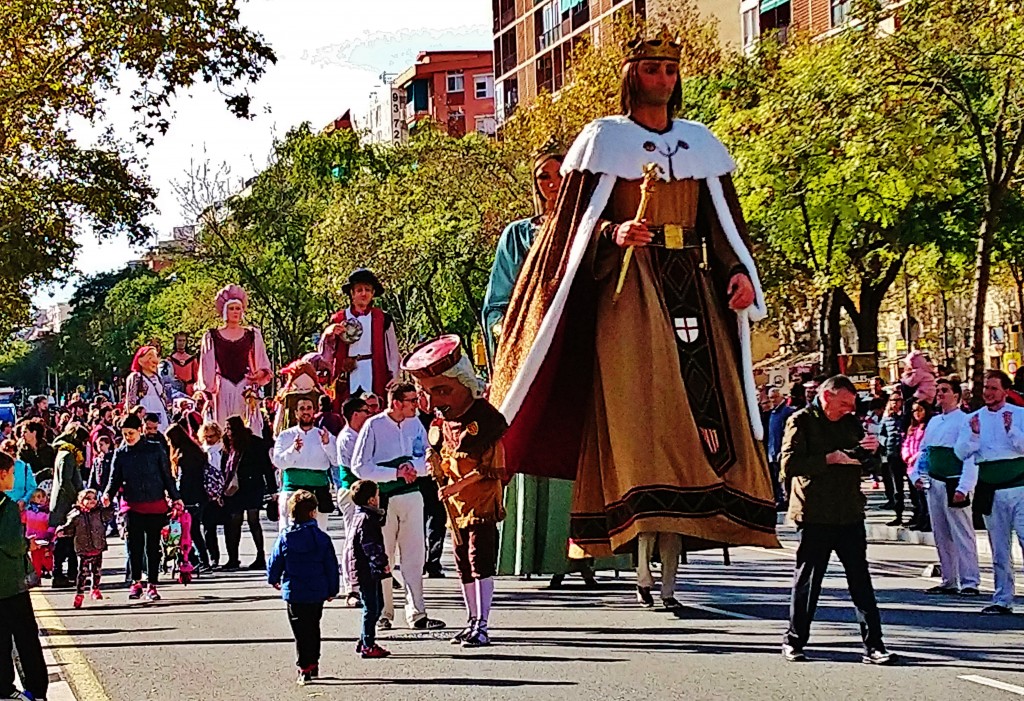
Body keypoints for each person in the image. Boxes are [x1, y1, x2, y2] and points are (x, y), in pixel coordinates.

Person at [489, 27, 778, 575]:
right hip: (630, 290)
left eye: (670, 70)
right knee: (640, 404)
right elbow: (569, 232)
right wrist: (612, 235)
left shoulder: (700, 145)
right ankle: (636, 518)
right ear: (632, 76)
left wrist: (739, 273)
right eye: (652, 69)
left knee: (704, 402)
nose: (663, 80)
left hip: (693, 284)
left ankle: (695, 515)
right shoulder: (603, 141)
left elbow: (724, 227)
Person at [780, 375, 894, 665]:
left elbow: (872, 464)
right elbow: (789, 464)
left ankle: (874, 646)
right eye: (844, 403)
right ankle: (794, 640)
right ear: (827, 396)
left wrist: (872, 452)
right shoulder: (801, 421)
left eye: (852, 404)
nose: (849, 409)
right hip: (815, 512)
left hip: (849, 512)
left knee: (861, 581)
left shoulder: (850, 422)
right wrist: (829, 459)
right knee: (808, 580)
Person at [406, 335, 509, 647]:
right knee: (462, 562)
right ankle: (471, 619)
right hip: (455, 509)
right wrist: (431, 461)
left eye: (442, 390)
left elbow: (492, 467)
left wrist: (456, 485)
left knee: (480, 560)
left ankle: (483, 624)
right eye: (429, 393)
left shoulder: (486, 419)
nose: (436, 401)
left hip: (479, 504)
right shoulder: (441, 423)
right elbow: (436, 453)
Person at [351, 383, 445, 630]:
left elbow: (427, 458)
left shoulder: (415, 424)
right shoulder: (374, 425)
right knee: (385, 556)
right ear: (396, 403)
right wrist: (395, 472)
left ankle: (418, 613)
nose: (416, 404)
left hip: (412, 496)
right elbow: (359, 467)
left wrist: (416, 468)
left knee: (415, 556)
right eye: (411, 400)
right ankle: (384, 612)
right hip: (385, 499)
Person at [955, 370, 1024, 615]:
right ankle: (1002, 598)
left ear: (1006, 391)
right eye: (986, 388)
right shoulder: (973, 418)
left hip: (1019, 487)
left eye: (994, 388)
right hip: (991, 489)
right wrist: (973, 434)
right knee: (999, 547)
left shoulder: (1020, 415)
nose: (988, 393)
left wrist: (1011, 430)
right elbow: (961, 453)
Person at [909, 377, 980, 597]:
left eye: (945, 390)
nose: (940, 394)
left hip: (954, 480)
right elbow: (924, 452)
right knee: (941, 533)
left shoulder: (965, 421)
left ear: (956, 395)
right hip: (935, 480)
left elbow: (970, 456)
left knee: (962, 532)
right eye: (938, 390)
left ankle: (970, 581)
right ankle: (949, 579)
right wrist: (916, 476)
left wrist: (964, 486)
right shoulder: (934, 421)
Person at [103, 413, 183, 601]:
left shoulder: (155, 449)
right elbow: (114, 479)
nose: (127, 437)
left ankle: (152, 584)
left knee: (153, 546)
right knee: (134, 545)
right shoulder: (121, 453)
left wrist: (176, 497)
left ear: (140, 430)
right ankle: (136, 582)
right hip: (132, 504)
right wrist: (108, 494)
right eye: (124, 434)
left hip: (155, 504)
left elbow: (167, 476)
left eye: (131, 432)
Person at [267, 490, 340, 686]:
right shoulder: (322, 538)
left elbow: (275, 560)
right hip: (316, 589)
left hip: (295, 589)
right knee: (313, 626)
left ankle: (304, 666)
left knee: (300, 630)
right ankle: (314, 661)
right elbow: (331, 565)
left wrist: (273, 578)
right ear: (313, 513)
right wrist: (333, 589)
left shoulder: (286, 537)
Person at [0, 451, 49, 701]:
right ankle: (36, 688)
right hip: (9, 581)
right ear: (2, 475)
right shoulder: (6, 507)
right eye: (11, 474)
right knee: (26, 636)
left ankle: (4, 688)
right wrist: (26, 544)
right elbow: (10, 542)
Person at [318, 269, 400, 411]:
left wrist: (395, 375)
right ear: (352, 293)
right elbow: (325, 356)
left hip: (375, 371)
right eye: (359, 290)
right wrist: (329, 334)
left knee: (375, 408)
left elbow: (392, 350)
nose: (364, 293)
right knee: (347, 409)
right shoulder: (338, 319)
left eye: (367, 290)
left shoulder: (383, 318)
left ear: (373, 293)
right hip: (347, 373)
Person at [197, 284, 273, 435]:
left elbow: (261, 362)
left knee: (248, 428)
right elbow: (207, 367)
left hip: (245, 387)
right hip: (223, 388)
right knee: (224, 428)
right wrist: (208, 394)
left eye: (238, 308)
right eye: (231, 309)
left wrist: (258, 375)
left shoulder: (252, 335)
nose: (235, 312)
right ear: (225, 311)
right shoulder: (212, 336)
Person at [273, 398, 336, 532]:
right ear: (296, 413)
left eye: (309, 408)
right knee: (289, 531)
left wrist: (327, 444)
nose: (305, 412)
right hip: (292, 490)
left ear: (314, 411)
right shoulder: (285, 436)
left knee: (319, 533)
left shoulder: (324, 435)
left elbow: (336, 461)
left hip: (318, 491)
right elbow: (278, 461)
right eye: (302, 409)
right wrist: (293, 450)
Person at [222, 415, 276, 570]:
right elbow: (225, 469)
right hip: (236, 488)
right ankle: (233, 558)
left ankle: (260, 556)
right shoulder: (228, 445)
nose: (228, 432)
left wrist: (272, 490)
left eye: (230, 429)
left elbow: (267, 467)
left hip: (253, 485)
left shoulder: (254, 443)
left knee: (253, 520)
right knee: (235, 521)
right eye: (226, 429)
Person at [345, 480, 391, 659]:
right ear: (372, 500)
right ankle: (368, 644)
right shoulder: (367, 519)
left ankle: (365, 639)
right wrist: (381, 562)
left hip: (366, 568)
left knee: (377, 605)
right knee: (372, 607)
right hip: (366, 569)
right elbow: (370, 545)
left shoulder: (361, 515)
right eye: (378, 496)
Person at [337, 396, 370, 605]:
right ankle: (352, 588)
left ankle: (366, 582)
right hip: (351, 492)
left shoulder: (362, 434)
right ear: (355, 414)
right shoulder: (347, 437)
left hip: (366, 492)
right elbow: (358, 467)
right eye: (365, 411)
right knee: (352, 539)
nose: (369, 414)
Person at [56, 488, 114, 609]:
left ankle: (95, 588)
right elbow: (69, 528)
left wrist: (108, 506)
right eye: (88, 498)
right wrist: (62, 531)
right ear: (80, 501)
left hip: (98, 546)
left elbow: (109, 516)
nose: (92, 501)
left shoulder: (99, 512)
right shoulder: (76, 515)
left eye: (94, 498)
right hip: (84, 548)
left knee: (97, 571)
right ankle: (80, 594)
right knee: (82, 573)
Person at [166, 423, 212, 571]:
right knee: (193, 529)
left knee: (189, 529)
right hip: (199, 496)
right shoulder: (194, 451)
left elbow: (186, 480)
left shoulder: (184, 455)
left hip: (191, 497)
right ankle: (200, 558)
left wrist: (179, 497)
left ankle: (198, 559)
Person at [49, 425, 88, 589]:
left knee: (71, 539)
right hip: (65, 504)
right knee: (63, 539)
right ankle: (58, 573)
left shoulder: (66, 453)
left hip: (67, 502)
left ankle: (73, 572)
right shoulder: (67, 456)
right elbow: (66, 481)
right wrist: (77, 498)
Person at [197, 421, 226, 568]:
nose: (209, 439)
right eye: (206, 436)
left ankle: (232, 557)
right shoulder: (201, 453)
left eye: (212, 436)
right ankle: (213, 557)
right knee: (209, 528)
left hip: (224, 494)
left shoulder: (224, 451)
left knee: (228, 526)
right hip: (207, 495)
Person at [903, 401, 933, 532]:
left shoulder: (929, 427)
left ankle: (928, 520)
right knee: (917, 496)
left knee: (925, 496)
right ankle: (919, 519)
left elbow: (925, 447)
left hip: (923, 465)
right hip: (911, 467)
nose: (917, 413)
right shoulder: (912, 428)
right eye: (914, 411)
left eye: (920, 410)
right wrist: (907, 456)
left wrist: (915, 456)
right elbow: (906, 444)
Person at [877, 394, 907, 526]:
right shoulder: (886, 419)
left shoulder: (905, 417)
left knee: (913, 487)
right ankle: (898, 514)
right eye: (893, 401)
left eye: (898, 400)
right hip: (892, 454)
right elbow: (881, 434)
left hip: (906, 455)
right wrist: (886, 442)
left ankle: (918, 514)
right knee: (897, 486)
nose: (895, 403)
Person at [126, 346, 170, 432]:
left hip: (160, 411)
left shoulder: (158, 378)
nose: (155, 360)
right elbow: (131, 399)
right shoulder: (136, 377)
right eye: (150, 357)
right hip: (145, 409)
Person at [766, 386, 795, 510]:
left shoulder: (788, 412)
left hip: (781, 451)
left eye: (775, 397)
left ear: (781, 396)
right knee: (775, 477)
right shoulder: (772, 413)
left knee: (784, 478)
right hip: (772, 451)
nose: (773, 400)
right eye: (770, 398)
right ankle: (779, 499)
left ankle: (786, 500)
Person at [2, 438, 37, 507]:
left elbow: (32, 487)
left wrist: (24, 500)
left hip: (21, 509)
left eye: (13, 455)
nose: (11, 458)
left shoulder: (25, 467)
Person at [169, 332, 200, 397]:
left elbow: (197, 377)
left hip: (190, 390)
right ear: (175, 342)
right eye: (179, 340)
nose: (182, 343)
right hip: (175, 390)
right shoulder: (170, 359)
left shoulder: (192, 359)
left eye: (184, 340)